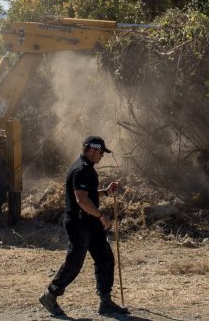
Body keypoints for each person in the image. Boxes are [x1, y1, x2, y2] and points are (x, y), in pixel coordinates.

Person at [39, 135, 129, 316]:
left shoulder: (87, 168)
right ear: (92, 150)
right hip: (79, 224)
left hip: (90, 222)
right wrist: (102, 216)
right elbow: (81, 200)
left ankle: (105, 302)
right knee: (74, 263)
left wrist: (105, 192)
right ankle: (51, 293)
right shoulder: (80, 169)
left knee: (105, 258)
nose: (102, 156)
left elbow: (87, 195)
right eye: (101, 152)